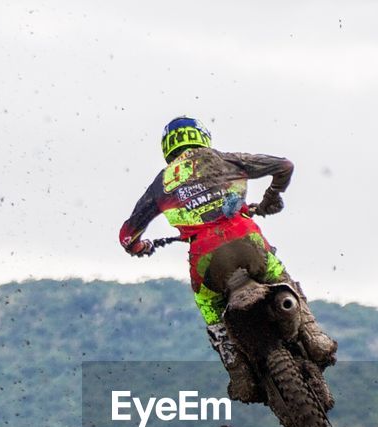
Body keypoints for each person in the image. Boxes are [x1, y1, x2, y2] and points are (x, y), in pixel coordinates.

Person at [118, 116, 336, 403]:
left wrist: (138, 247)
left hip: (207, 259)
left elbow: (127, 234)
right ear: (202, 137)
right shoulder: (226, 160)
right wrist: (271, 197)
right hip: (247, 241)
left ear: (167, 148)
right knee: (280, 276)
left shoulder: (162, 184)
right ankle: (314, 336)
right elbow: (284, 166)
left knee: (209, 306)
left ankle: (239, 373)